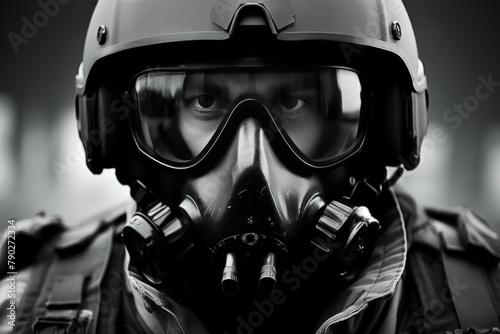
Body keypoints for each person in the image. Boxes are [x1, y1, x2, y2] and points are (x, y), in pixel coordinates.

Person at [1, 0, 499, 333]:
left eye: (296, 102)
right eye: (203, 101)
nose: (250, 165)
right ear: (112, 136)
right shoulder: (23, 301)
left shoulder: (486, 297)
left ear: (389, 129)